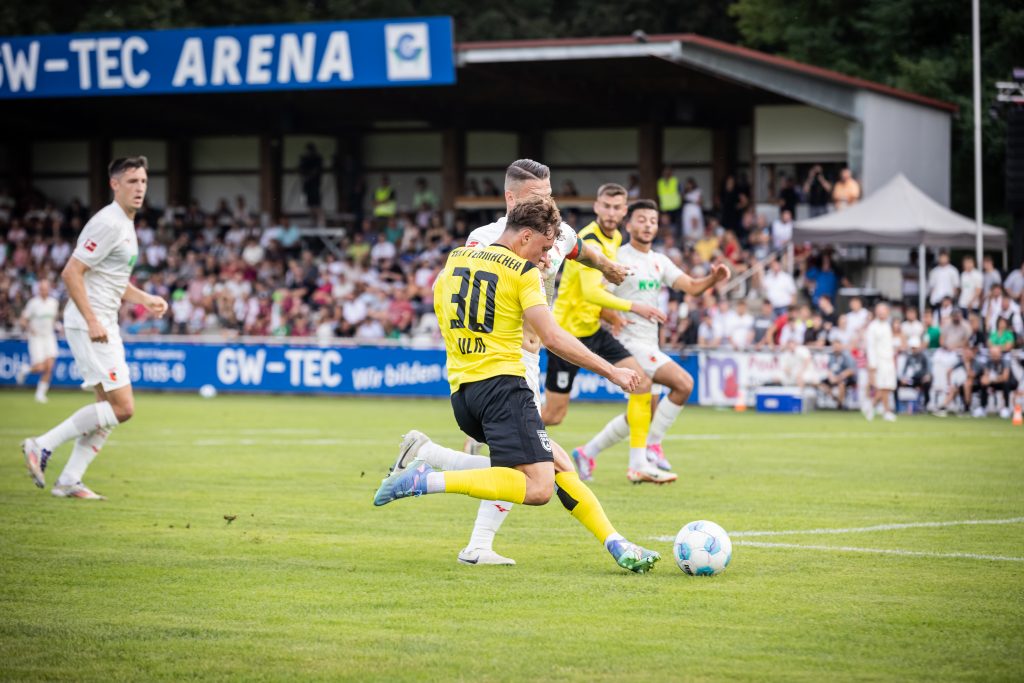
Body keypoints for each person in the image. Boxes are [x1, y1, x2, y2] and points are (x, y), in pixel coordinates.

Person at [374, 196, 663, 574]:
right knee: (540, 487)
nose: (546, 259)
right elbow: (554, 338)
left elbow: (441, 309)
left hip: (464, 393)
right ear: (525, 235)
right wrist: (613, 372)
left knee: (554, 465)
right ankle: (427, 478)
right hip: (505, 388)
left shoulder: (456, 259)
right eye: (544, 249)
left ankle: (616, 544)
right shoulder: (521, 272)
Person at [21, 157, 168, 499]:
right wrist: (91, 320)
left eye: (143, 181)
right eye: (132, 181)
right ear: (115, 184)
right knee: (123, 408)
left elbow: (112, 280)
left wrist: (145, 299)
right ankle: (41, 445)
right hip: (93, 323)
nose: (140, 188)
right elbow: (71, 272)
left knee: (107, 410)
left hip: (101, 320)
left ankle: (70, 479)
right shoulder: (109, 222)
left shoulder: (125, 224)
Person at [571, 200, 730, 477]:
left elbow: (692, 287)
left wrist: (713, 279)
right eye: (641, 219)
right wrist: (613, 317)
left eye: (653, 221)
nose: (647, 225)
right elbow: (596, 298)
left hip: (650, 343)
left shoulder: (659, 261)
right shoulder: (616, 257)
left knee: (641, 415)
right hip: (629, 343)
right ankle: (652, 447)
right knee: (683, 383)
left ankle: (588, 452)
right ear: (629, 224)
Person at [542, 184, 674, 484]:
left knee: (641, 384)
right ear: (597, 206)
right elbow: (589, 291)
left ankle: (638, 464)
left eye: (618, 207)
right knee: (553, 415)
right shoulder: (589, 239)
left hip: (592, 330)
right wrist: (632, 307)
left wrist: (611, 314)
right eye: (607, 206)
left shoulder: (614, 238)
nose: (612, 213)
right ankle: (488, 436)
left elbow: (595, 291)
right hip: (566, 335)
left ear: (624, 211)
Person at [16, 278, 60, 403]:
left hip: (49, 337)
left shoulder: (54, 303)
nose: (44, 291)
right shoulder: (33, 303)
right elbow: (23, 320)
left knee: (50, 367)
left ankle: (40, 395)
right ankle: (25, 370)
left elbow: (53, 319)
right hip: (36, 338)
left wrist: (57, 326)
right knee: (40, 367)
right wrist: (30, 328)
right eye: (42, 289)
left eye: (46, 289)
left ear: (49, 289)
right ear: (39, 290)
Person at [864, 301, 897, 422]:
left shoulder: (887, 325)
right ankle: (886, 411)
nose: (882, 314)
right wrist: (872, 365)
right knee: (882, 387)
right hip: (879, 362)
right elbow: (871, 347)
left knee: (887, 388)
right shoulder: (873, 327)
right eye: (880, 311)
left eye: (884, 311)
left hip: (889, 361)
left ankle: (872, 407)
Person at [978, 347, 1019, 418]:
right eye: (992, 354)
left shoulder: (1005, 361)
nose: (994, 356)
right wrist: (984, 379)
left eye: (996, 354)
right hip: (997, 382)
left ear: (1000, 354)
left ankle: (1006, 408)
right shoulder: (988, 362)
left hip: (1011, 383)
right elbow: (985, 375)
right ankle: (983, 407)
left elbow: (1005, 377)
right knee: (983, 384)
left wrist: (991, 379)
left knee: (1006, 384)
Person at [896, 337, 931, 413]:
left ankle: (925, 406)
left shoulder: (924, 356)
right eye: (912, 348)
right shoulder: (909, 357)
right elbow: (904, 370)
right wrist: (903, 378)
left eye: (914, 348)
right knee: (897, 383)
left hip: (922, 379)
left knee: (927, 384)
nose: (913, 350)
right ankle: (897, 407)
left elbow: (928, 368)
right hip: (913, 379)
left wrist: (927, 375)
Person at [820, 343, 857, 408]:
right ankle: (834, 399)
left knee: (841, 384)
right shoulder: (831, 356)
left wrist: (839, 377)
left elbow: (851, 370)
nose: (836, 349)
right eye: (835, 347)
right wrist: (831, 377)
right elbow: (828, 369)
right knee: (822, 384)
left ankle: (840, 404)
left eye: (837, 347)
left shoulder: (846, 356)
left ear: (841, 347)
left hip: (844, 377)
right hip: (833, 377)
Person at [299, 143, 324, 226]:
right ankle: (313, 222)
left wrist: (309, 176)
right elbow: (301, 171)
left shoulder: (317, 159)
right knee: (309, 205)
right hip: (307, 185)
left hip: (315, 185)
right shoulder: (304, 159)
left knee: (316, 204)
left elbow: (317, 171)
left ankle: (320, 223)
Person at [657, 166, 682, 233]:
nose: (666, 173)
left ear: (671, 172)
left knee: (675, 226)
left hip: (675, 207)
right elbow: (659, 195)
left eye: (668, 171)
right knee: (665, 225)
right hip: (665, 208)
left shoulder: (675, 181)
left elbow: (681, 193)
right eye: (665, 172)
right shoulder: (660, 182)